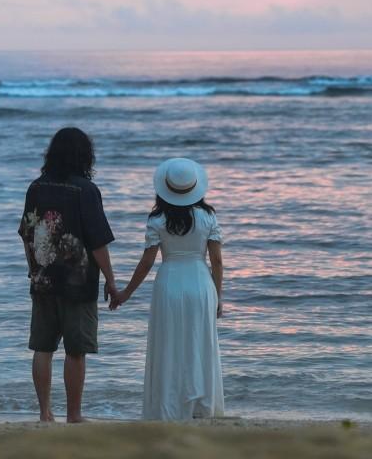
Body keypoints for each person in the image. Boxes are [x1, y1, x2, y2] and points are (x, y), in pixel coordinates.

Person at [111, 157, 225, 420]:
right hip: (200, 283)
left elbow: (148, 261)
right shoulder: (208, 216)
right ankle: (200, 406)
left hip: (169, 283)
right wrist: (218, 297)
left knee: (169, 345)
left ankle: (168, 407)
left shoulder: (157, 219)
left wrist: (126, 293)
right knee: (200, 344)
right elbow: (217, 261)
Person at [18, 127, 118, 423]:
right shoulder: (86, 191)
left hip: (44, 278)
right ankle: (74, 415)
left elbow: (27, 234)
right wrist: (111, 280)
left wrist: (33, 269)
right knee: (76, 350)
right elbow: (97, 241)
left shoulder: (36, 187)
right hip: (79, 281)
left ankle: (44, 413)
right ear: (84, 156)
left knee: (42, 347)